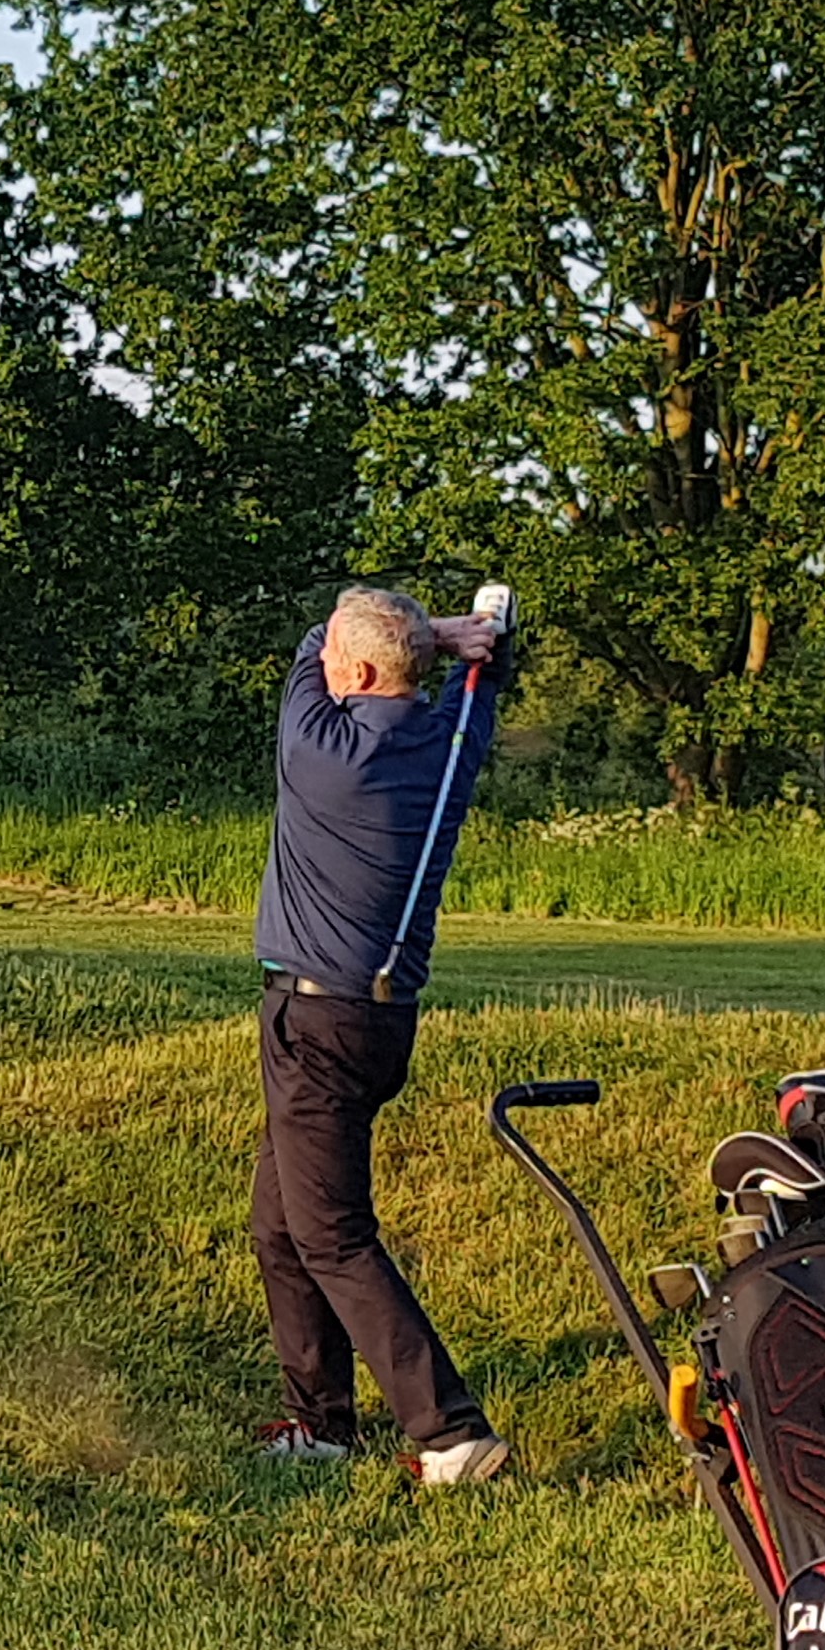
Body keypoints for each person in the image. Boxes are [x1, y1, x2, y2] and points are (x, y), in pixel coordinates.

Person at [248, 583, 511, 1485]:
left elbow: (307, 642)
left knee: (332, 1235)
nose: (320, 668)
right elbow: (480, 679)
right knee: (280, 1221)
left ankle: (449, 1431)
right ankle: (320, 1420)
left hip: (313, 1022)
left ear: (357, 672)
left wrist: (434, 632)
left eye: (335, 664)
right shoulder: (446, 751)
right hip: (379, 1018)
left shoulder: (319, 752)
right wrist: (460, 641)